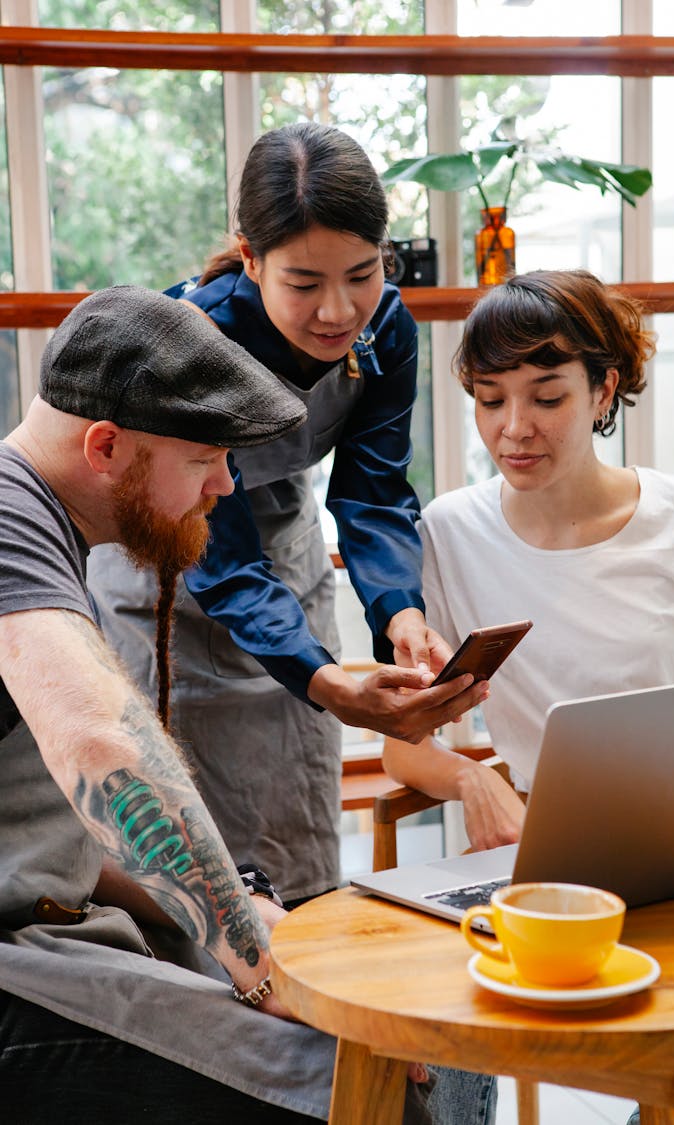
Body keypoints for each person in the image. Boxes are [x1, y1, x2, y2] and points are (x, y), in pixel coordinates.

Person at [0, 286, 496, 1124]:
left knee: (439, 1043)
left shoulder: (43, 523)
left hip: (60, 933)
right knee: (371, 1081)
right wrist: (265, 968)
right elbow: (101, 745)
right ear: (107, 446)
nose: (227, 486)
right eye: (204, 458)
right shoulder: (9, 523)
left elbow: (56, 842)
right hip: (21, 969)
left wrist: (250, 903)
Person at [380, 267, 674, 1124]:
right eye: (490, 399)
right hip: (531, 870)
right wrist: (475, 778)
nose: (514, 429)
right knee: (431, 1043)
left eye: (546, 396)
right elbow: (405, 743)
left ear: (603, 388)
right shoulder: (447, 533)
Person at [86, 122, 486, 907]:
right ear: (250, 258)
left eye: (364, 274)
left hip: (286, 542)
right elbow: (225, 559)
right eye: (303, 284)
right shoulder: (192, 342)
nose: (339, 311)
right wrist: (324, 677)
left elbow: (372, 493)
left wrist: (400, 612)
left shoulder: (388, 329)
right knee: (188, 833)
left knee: (296, 802)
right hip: (173, 550)